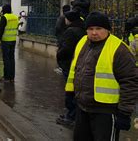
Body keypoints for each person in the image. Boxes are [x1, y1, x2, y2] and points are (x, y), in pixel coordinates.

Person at [66, 12, 137, 140]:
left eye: (99, 29)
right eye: (90, 29)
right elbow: (75, 69)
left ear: (107, 29)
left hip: (106, 111)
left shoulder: (119, 49)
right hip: (83, 107)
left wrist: (125, 112)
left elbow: (130, 82)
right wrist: (70, 92)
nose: (94, 33)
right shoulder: (83, 42)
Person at [55, 10, 86, 126]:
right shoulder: (82, 29)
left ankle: (71, 116)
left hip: (69, 64)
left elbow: (66, 48)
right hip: (79, 64)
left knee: (70, 91)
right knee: (76, 90)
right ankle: (73, 114)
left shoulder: (71, 31)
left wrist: (59, 54)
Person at [0, 4, 19, 83]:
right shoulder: (15, 17)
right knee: (11, 58)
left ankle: (6, 77)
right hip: (13, 40)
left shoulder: (4, 17)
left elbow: (1, 30)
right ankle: (12, 77)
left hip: (5, 40)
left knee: (6, 59)